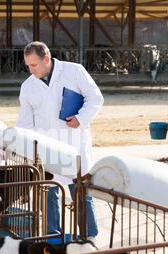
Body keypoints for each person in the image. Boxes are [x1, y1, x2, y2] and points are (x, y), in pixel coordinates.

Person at [16, 41, 104, 240]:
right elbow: (25, 123)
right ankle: (52, 237)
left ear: (46, 59)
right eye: (28, 65)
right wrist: (23, 147)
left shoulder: (74, 71)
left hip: (74, 143)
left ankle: (89, 236)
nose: (30, 70)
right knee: (49, 192)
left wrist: (81, 118)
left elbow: (95, 98)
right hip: (47, 149)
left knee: (80, 190)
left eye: (34, 65)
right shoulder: (28, 86)